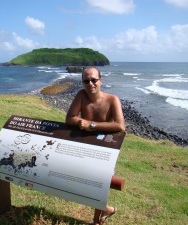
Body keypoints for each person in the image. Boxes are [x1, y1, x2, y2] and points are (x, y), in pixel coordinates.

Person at [66, 67, 125, 225]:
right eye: (86, 81)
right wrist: (79, 122)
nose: (90, 83)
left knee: (100, 181)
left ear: (101, 80)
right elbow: (69, 118)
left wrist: (91, 125)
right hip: (86, 145)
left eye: (94, 80)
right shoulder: (81, 95)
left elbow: (120, 126)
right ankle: (106, 209)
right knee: (83, 180)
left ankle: (96, 221)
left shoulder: (113, 99)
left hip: (105, 148)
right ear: (83, 83)